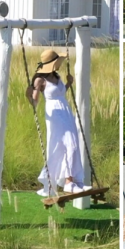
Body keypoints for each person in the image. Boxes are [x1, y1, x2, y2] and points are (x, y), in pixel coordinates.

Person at [26, 49, 86, 195]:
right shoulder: (40, 80)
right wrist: (28, 95)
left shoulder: (56, 76)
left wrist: (69, 84)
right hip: (54, 114)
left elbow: (60, 93)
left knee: (71, 145)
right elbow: (35, 103)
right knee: (69, 144)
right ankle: (69, 182)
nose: (59, 65)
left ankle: (71, 181)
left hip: (65, 111)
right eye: (57, 63)